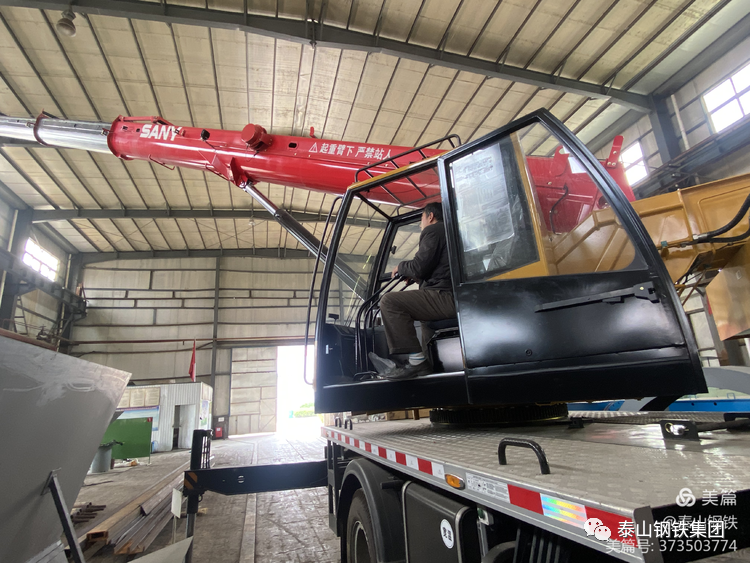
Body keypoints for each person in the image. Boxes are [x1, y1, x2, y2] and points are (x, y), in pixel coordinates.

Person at [369, 201, 456, 380]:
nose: (420, 224)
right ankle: (427, 366)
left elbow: (419, 266)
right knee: (425, 321)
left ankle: (417, 362)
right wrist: (416, 278)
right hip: (452, 294)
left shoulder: (434, 230)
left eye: (421, 219)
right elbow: (440, 269)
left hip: (446, 296)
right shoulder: (449, 232)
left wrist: (401, 267)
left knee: (389, 302)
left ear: (430, 216)